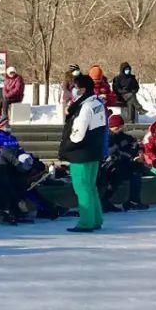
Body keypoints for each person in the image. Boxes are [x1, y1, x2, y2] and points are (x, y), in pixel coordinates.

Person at [59, 72, 109, 232]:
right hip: (94, 151)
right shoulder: (97, 103)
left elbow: (78, 132)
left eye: (75, 87)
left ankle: (86, 221)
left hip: (81, 153)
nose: (73, 89)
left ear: (82, 89)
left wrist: (69, 145)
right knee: (91, 186)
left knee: (82, 188)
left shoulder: (85, 106)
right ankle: (96, 218)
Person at [99, 114, 146, 212]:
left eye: (120, 127)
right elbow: (110, 153)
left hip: (124, 164)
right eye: (115, 127)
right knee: (117, 173)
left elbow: (136, 145)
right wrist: (130, 157)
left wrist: (140, 152)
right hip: (108, 167)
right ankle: (104, 200)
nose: (118, 129)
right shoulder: (105, 138)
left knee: (137, 169)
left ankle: (133, 200)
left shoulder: (125, 137)